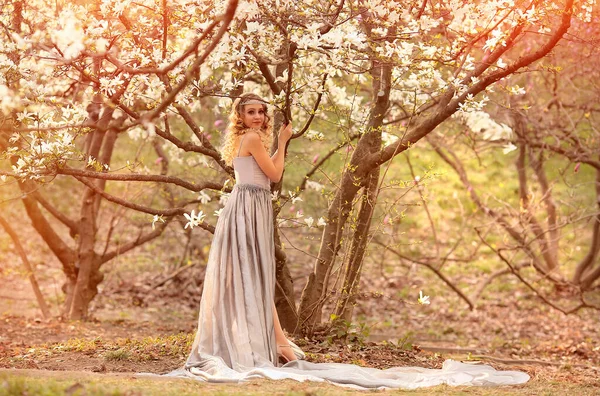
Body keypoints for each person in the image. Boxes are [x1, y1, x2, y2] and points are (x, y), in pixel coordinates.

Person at [166, 93, 530, 389]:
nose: (259, 116)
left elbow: (269, 177)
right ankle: (275, 343)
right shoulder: (250, 138)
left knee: (255, 276)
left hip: (249, 206)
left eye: (263, 111)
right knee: (254, 276)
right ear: (240, 117)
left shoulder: (249, 139)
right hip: (248, 207)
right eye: (252, 112)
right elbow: (275, 175)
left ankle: (277, 341)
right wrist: (282, 141)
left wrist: (276, 142)